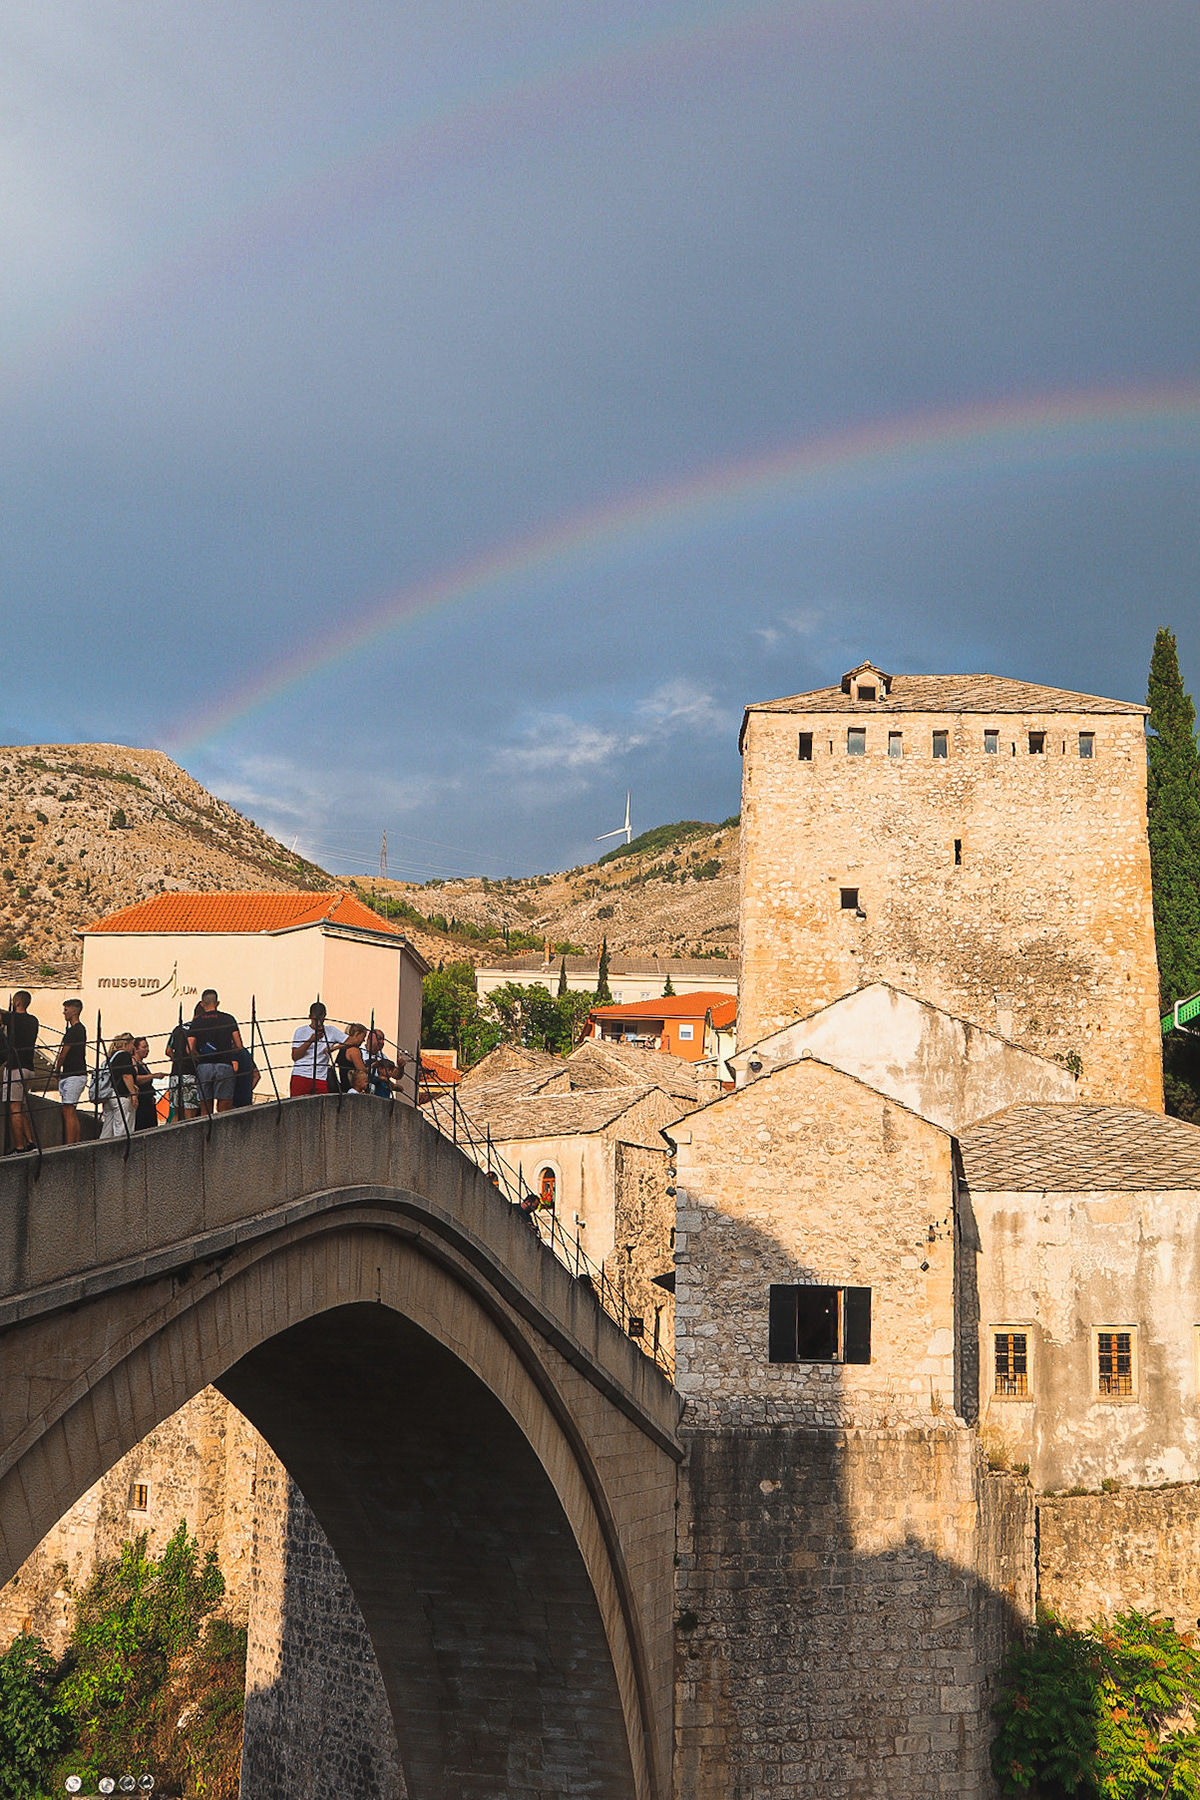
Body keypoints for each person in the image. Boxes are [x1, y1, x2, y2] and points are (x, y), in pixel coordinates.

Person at [187, 991, 243, 1118]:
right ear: (217, 1003)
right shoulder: (229, 1019)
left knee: (205, 1109)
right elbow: (239, 1045)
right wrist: (229, 1050)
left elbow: (190, 1048)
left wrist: (196, 1055)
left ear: (202, 1004)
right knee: (224, 1107)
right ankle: (223, 1134)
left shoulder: (197, 1022)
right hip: (224, 1064)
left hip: (204, 1066)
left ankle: (207, 1134)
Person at [0, 991, 38, 1154]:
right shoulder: (33, 1020)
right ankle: (29, 1142)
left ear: (16, 1002)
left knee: (14, 1107)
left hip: (15, 1066)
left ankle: (19, 1147)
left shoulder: (12, 1018)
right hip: (29, 1067)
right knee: (20, 1106)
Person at [290, 1002, 346, 1096]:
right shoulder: (301, 1031)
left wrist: (334, 1048)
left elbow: (353, 1041)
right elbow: (295, 1056)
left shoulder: (331, 1031)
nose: (319, 1023)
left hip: (320, 1077)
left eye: (321, 1019)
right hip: (301, 1075)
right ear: (310, 1017)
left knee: (322, 1107)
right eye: (316, 1020)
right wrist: (311, 1040)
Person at [54, 999, 88, 1145]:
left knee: (68, 1110)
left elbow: (63, 1053)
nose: (64, 1012)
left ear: (74, 1011)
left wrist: (56, 1069)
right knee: (70, 1110)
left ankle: (70, 1144)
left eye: (66, 1009)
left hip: (73, 1074)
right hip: (76, 1074)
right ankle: (74, 1142)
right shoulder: (81, 1029)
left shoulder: (74, 1030)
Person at [100, 1033, 138, 1140]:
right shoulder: (124, 1055)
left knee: (108, 1128)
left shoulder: (111, 1058)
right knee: (122, 1129)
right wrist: (133, 1094)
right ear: (127, 1044)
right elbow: (126, 1075)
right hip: (121, 1095)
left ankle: (102, 1151)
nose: (133, 1048)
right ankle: (121, 1152)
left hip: (109, 1095)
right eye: (132, 1044)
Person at [166, 1017, 200, 1121]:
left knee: (176, 1113)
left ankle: (172, 1136)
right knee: (190, 1115)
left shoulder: (177, 1029)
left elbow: (168, 1051)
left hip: (175, 1074)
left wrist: (178, 1060)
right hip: (190, 1074)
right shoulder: (198, 1028)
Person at [364, 1029, 405, 1099]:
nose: (382, 1042)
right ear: (369, 1038)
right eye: (379, 1039)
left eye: (383, 1040)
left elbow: (395, 1074)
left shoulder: (383, 1057)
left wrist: (401, 1067)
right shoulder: (360, 1053)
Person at [333, 1024, 369, 1093]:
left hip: (343, 1085)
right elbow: (361, 1069)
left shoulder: (342, 1049)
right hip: (352, 1087)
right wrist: (370, 1068)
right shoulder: (353, 1050)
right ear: (357, 1034)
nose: (363, 1040)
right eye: (363, 1036)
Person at [132, 1037, 158, 1131]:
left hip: (148, 1100)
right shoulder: (133, 1062)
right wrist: (153, 1076)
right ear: (136, 1049)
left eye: (147, 1047)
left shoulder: (142, 1064)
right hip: (141, 1101)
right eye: (144, 1047)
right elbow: (136, 1079)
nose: (147, 1050)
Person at [231, 1045, 260, 1109]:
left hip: (232, 1100)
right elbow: (257, 1075)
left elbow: (235, 1068)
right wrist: (247, 1090)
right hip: (246, 1099)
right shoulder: (246, 1053)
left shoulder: (230, 1054)